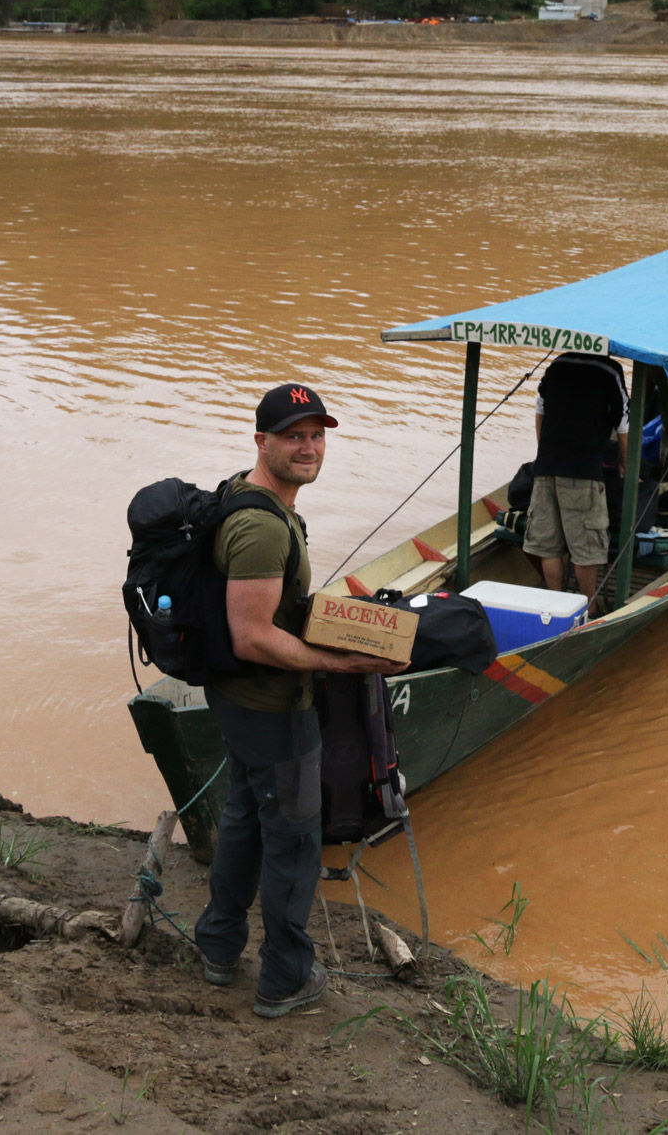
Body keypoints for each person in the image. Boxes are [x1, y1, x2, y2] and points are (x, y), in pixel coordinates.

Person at [193, 382, 407, 1019]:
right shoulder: (261, 528)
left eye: (317, 435)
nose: (308, 447)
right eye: (293, 435)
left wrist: (343, 623)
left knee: (243, 820)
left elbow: (271, 612)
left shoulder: (244, 492)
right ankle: (285, 979)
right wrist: (339, 661)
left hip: (237, 701)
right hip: (271, 706)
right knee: (292, 841)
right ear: (262, 441)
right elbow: (253, 635)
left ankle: (219, 947)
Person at [524, 351, 628, 608]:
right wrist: (625, 462)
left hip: (546, 466)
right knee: (586, 548)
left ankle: (556, 603)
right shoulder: (609, 369)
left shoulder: (558, 363)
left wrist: (543, 449)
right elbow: (624, 422)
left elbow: (540, 408)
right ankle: (588, 606)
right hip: (582, 471)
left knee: (549, 545)